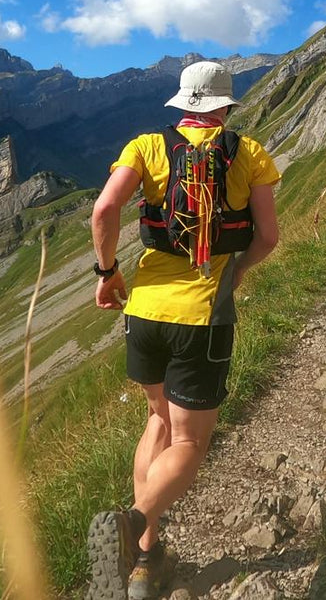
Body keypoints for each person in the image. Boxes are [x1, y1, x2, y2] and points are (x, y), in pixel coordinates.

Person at [85, 60, 281, 600]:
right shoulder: (250, 154)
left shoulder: (146, 146)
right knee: (191, 440)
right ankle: (131, 524)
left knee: (158, 420)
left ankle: (144, 560)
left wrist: (107, 274)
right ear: (225, 105)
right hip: (201, 317)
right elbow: (267, 237)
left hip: (144, 310)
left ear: (182, 105)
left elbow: (105, 210)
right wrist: (233, 275)